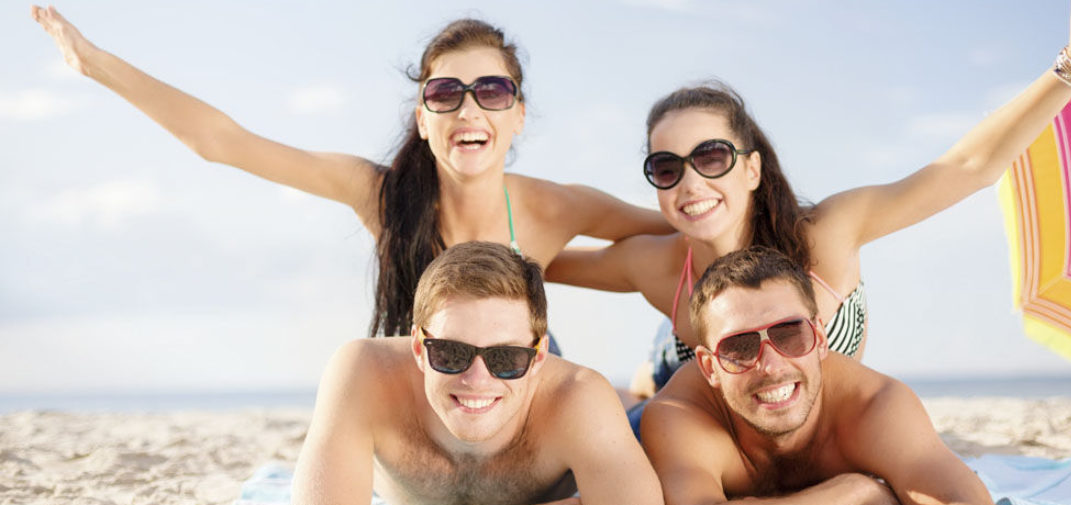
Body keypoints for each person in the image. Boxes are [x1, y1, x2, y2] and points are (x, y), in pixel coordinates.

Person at [545, 0, 1071, 397]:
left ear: (753, 168)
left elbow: (966, 166)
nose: (690, 183)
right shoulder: (658, 265)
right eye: (667, 168)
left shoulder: (825, 234)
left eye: (711, 157)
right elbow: (540, 261)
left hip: (788, 408)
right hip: (692, 382)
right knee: (657, 384)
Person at [30, 6, 670, 341]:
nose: (469, 108)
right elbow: (222, 143)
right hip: (424, 388)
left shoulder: (557, 207)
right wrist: (94, 63)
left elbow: (683, 226)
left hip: (519, 379)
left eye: (493, 90)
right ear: (423, 118)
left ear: (518, 114)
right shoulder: (383, 195)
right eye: (445, 92)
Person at [293, 241, 670, 505]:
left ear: (539, 356)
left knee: (650, 418)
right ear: (419, 349)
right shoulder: (364, 373)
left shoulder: (578, 396)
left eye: (505, 358)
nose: (476, 379)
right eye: (451, 353)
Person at [640, 246, 1012, 505]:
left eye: (789, 334)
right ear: (709, 367)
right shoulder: (679, 415)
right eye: (739, 347)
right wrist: (853, 490)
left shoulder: (874, 405)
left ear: (819, 339)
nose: (770, 366)